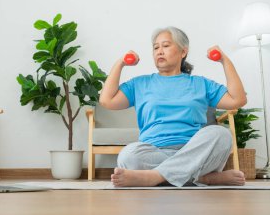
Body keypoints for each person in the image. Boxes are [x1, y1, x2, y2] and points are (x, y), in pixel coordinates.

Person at [99, 27, 247, 187]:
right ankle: (203, 178)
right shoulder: (140, 84)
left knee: (221, 134)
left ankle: (154, 177)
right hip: (154, 151)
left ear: (183, 52)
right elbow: (107, 101)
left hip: (195, 151)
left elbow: (238, 100)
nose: (159, 51)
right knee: (128, 156)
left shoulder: (200, 83)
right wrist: (120, 63)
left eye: (166, 45)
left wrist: (224, 60)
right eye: (156, 47)